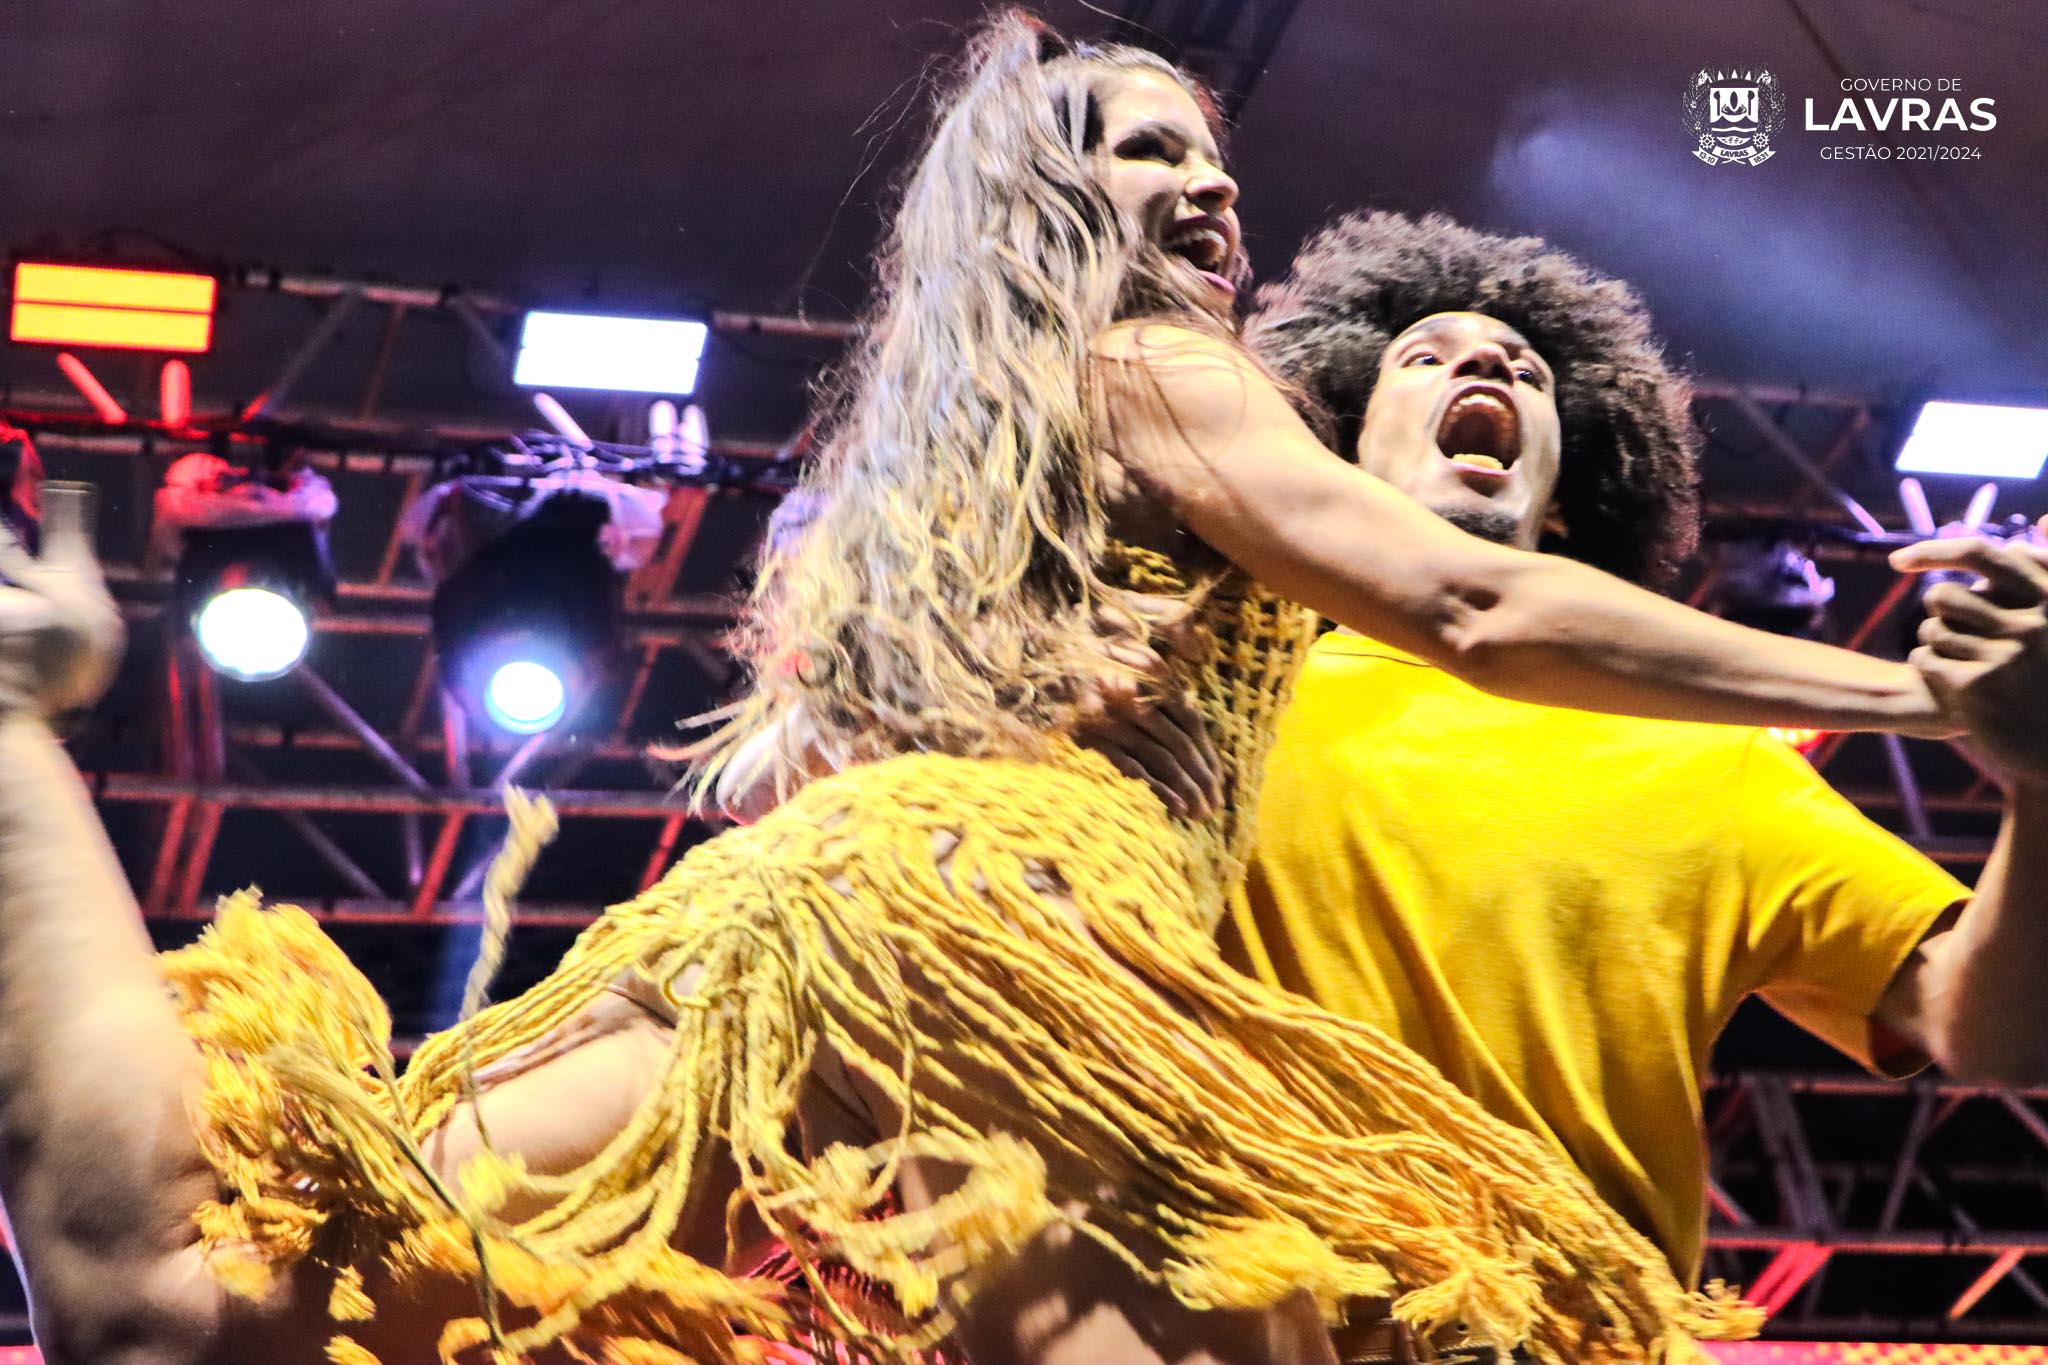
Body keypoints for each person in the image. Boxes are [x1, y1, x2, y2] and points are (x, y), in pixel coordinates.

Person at [0, 17, 2019, 1365]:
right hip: (1005, 964)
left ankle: (18, 723)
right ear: (1049, 210)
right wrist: (1928, 698)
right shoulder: (1160, 366)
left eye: (1211, 155)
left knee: (173, 1313)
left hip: (800, 932)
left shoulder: (961, 467)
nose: (1210, 188)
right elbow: (1470, 603)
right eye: (1147, 152)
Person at [1180, 210, 2048, 1287]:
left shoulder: (1708, 758)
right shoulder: (1202, 695)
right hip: (1253, 1321)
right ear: (1334, 457)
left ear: (1562, 504)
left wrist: (2039, 782)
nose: (1486, 362)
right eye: (1424, 357)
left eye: (1528, 372)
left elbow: (1998, 1035)